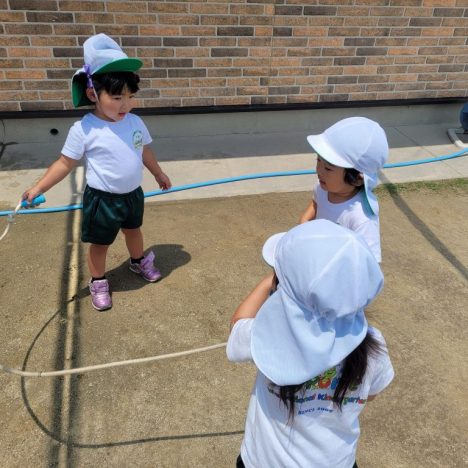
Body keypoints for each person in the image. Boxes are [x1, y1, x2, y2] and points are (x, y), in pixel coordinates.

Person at [227, 220, 394, 468]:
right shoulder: (373, 345)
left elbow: (237, 324)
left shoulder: (267, 336)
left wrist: (272, 279)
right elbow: (371, 395)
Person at [22, 34, 172, 311]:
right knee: (100, 244)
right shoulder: (84, 129)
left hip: (132, 194)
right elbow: (64, 163)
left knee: (134, 231)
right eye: (117, 97)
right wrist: (38, 188)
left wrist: (158, 173)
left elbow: (144, 150)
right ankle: (99, 280)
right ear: (93, 94)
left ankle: (137, 262)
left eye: (131, 96)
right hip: (102, 200)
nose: (126, 104)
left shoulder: (135, 122)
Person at [299, 117, 389, 262]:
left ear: (357, 179)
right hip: (318, 255)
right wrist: (304, 221)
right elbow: (316, 203)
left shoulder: (362, 217)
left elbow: (369, 263)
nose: (319, 171)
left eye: (328, 168)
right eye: (318, 160)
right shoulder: (322, 187)